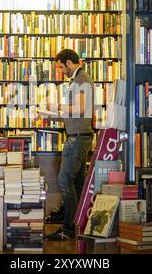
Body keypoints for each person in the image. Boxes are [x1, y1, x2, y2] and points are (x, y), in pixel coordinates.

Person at [44, 49, 95, 241]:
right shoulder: (78, 79)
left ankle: (69, 227)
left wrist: (56, 107)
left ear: (68, 62)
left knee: (65, 181)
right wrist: (53, 115)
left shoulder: (82, 79)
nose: (60, 70)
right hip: (78, 135)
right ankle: (79, 224)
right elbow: (75, 111)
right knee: (78, 183)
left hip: (78, 137)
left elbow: (81, 108)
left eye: (60, 66)